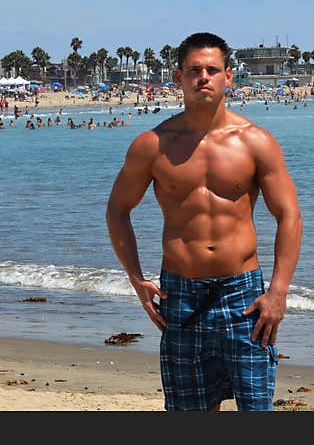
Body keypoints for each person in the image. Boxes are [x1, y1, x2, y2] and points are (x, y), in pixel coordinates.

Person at [106, 32, 302, 412]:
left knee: (257, 407)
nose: (204, 77)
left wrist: (278, 291)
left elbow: (289, 215)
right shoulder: (153, 144)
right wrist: (137, 279)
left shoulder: (255, 141)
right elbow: (117, 209)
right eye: (194, 70)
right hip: (181, 295)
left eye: (213, 70)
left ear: (229, 76)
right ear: (178, 77)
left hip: (243, 295)